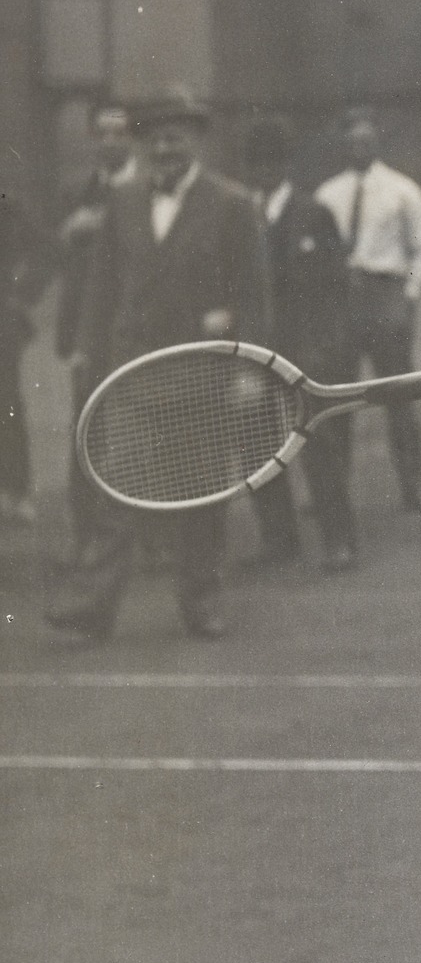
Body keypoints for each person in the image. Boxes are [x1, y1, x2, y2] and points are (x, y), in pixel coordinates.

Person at [47, 93, 271, 640]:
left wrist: (252, 370)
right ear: (144, 146)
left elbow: (255, 295)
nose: (165, 148)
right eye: (156, 139)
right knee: (115, 489)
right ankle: (94, 606)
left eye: (176, 137)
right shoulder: (121, 203)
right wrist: (88, 352)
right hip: (132, 373)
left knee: (200, 496)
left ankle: (202, 604)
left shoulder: (232, 203)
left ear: (197, 141)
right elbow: (102, 287)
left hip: (201, 372)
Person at [244, 116, 358, 571]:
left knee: (320, 446)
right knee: (258, 447)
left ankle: (339, 539)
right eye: (256, 164)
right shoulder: (242, 215)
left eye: (272, 162)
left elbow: (336, 289)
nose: (264, 172)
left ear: (286, 166)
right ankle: (279, 539)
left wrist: (326, 349)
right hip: (255, 351)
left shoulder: (314, 213)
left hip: (306, 353)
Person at [316, 110, 421, 513]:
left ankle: (414, 484)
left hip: (385, 293)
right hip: (341, 299)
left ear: (377, 142)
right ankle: (333, 493)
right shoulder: (327, 194)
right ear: (343, 145)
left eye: (367, 140)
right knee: (336, 398)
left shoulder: (402, 191)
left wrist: (410, 291)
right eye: (352, 141)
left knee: (398, 396)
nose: (360, 148)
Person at [54, 105, 137, 555]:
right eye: (102, 134)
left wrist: (100, 224)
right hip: (89, 332)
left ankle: (152, 537)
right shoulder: (78, 192)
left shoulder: (146, 189)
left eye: (119, 133)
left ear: (131, 140)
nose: (110, 142)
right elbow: (69, 269)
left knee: (140, 429)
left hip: (133, 327)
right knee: (86, 430)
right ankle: (86, 537)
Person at [0, 185, 46, 525]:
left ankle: (17, 491)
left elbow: (44, 252)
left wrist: (22, 296)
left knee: (6, 402)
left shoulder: (8, 202)